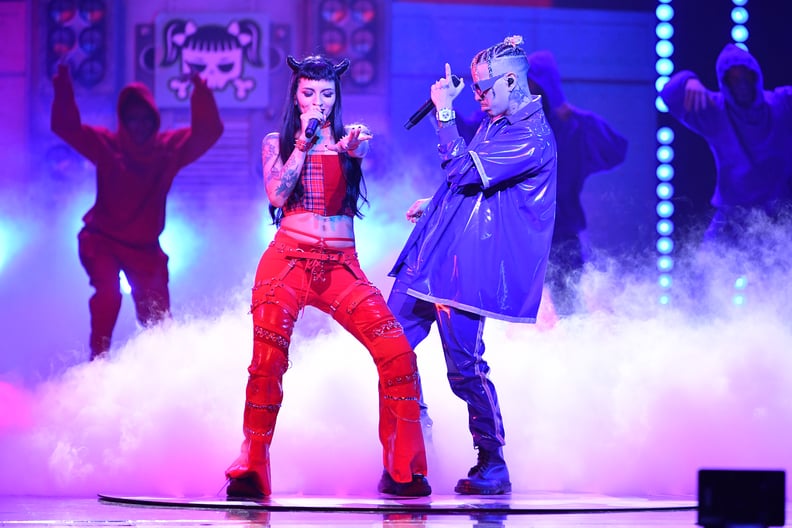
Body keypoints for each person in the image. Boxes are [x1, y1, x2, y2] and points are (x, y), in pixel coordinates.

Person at [223, 55, 431, 499]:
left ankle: (402, 467)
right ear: (295, 95)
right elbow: (277, 194)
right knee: (267, 362)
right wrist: (302, 142)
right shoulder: (276, 141)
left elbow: (360, 151)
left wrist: (351, 146)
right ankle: (252, 465)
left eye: (327, 94)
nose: (318, 101)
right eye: (309, 93)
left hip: (340, 266)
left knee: (397, 352)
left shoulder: (351, 140)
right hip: (287, 262)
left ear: (337, 97)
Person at [387, 35, 557, 495]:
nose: (476, 97)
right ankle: (410, 450)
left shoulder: (530, 135)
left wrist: (443, 112)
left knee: (463, 367)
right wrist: (437, 202)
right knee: (389, 345)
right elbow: (467, 182)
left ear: (510, 80)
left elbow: (463, 170)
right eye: (474, 89)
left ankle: (492, 461)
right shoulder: (497, 119)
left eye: (484, 89)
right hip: (436, 254)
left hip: (468, 268)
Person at [50, 64, 223, 361]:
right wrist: (63, 83)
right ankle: (98, 363)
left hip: (144, 249)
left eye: (145, 119)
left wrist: (201, 87)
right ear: (123, 120)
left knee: (158, 322)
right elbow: (66, 127)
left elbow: (207, 132)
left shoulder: (168, 149)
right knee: (108, 295)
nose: (140, 126)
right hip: (102, 240)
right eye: (133, 120)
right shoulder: (107, 145)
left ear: (154, 120)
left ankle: (160, 373)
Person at [659, 43, 792, 248]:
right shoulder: (715, 110)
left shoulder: (782, 103)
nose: (743, 86)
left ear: (756, 76)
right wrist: (688, 80)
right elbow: (669, 95)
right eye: (734, 80)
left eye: (747, 77)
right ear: (725, 83)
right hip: (732, 214)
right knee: (707, 272)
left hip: (779, 213)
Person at [526, 50, 628, 316]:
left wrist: (575, 114)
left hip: (560, 233)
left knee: (569, 307)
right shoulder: (512, 125)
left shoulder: (572, 129)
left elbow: (616, 149)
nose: (528, 90)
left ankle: (574, 352)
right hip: (518, 232)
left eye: (533, 82)